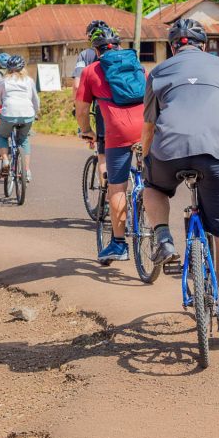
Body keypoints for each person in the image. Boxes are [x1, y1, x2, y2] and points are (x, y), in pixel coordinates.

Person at [142, 18, 219, 332]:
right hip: (218, 154)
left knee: (153, 186)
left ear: (173, 46)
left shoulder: (159, 72)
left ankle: (162, 236)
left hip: (170, 150)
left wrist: (146, 158)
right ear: (204, 45)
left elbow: (149, 125)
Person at [75, 25, 145, 264]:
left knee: (117, 187)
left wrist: (87, 131)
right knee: (153, 186)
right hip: (148, 129)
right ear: (118, 45)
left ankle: (118, 244)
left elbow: (82, 109)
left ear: (96, 50)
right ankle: (161, 237)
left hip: (118, 132)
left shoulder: (91, 71)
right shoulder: (138, 65)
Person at [0, 54, 40, 182]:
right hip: (27, 114)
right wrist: (36, 112)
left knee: (2, 136)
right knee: (24, 140)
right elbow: (35, 100)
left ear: (8, 68)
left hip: (9, 114)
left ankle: (5, 160)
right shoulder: (29, 81)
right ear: (23, 68)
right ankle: (26, 171)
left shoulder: (3, 81)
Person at [74, 21, 109, 178]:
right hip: (134, 108)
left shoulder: (85, 55)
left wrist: (78, 109)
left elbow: (77, 85)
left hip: (103, 106)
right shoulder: (126, 53)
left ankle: (108, 196)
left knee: (104, 153)